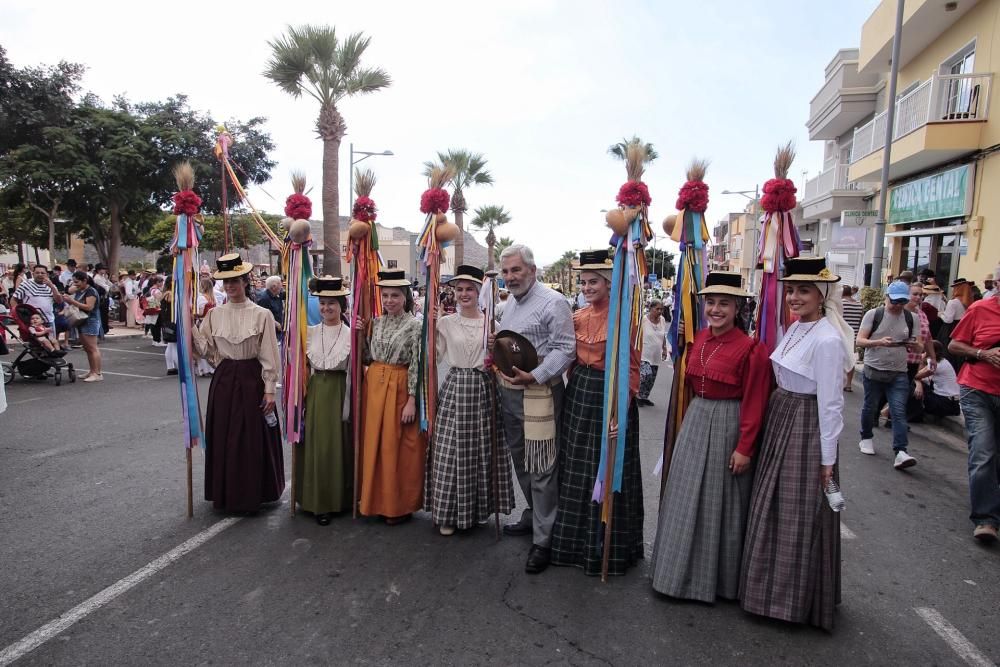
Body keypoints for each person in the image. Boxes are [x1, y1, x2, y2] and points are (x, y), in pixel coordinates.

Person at [740, 257, 855, 631]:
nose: (794, 297)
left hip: (805, 426)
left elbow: (831, 403)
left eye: (804, 290)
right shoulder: (796, 329)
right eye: (791, 289)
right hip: (781, 417)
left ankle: (790, 602)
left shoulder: (827, 338)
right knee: (769, 505)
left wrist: (827, 459)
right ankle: (762, 592)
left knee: (797, 513)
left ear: (821, 295)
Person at [651, 271, 771, 601]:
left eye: (724, 304)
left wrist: (745, 447)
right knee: (684, 496)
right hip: (696, 418)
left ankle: (713, 582)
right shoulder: (700, 339)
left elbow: (754, 402)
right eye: (711, 303)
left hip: (728, 422)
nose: (716, 309)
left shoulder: (751, 349)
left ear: (737, 309)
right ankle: (674, 574)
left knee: (720, 502)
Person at [549, 249, 644, 577]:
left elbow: (632, 370)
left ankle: (607, 550)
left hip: (611, 397)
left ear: (609, 283)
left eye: (594, 282)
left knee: (607, 466)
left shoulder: (624, 320)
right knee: (577, 468)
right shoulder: (576, 317)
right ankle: (570, 544)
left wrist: (621, 409)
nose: (587, 287)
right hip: (580, 395)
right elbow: (568, 360)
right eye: (584, 281)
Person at [495, 244, 575, 574]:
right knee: (521, 460)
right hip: (509, 394)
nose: (510, 277)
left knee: (542, 466)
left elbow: (566, 348)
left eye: (516, 270)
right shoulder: (509, 303)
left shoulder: (554, 302)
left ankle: (544, 539)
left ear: (532, 270)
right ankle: (533, 515)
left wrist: (537, 374)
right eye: (506, 272)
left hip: (540, 392)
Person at [426, 265, 515, 536]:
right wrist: (428, 331)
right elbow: (434, 358)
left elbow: (504, 364)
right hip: (455, 387)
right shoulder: (444, 323)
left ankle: (477, 510)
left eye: (470, 289)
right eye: (459, 289)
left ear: (480, 293)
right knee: (450, 450)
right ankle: (447, 513)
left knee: (480, 450)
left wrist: (495, 348)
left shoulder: (493, 325)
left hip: (483, 389)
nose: (464, 294)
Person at [192, 253, 284, 512]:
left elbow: (269, 355)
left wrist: (269, 390)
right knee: (224, 436)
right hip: (224, 381)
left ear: (245, 281)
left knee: (250, 438)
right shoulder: (214, 314)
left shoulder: (262, 314)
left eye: (235, 280)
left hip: (252, 380)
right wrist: (190, 330)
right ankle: (226, 493)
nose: (230, 286)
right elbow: (209, 352)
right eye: (226, 282)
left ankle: (253, 493)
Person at [357, 269, 425, 524]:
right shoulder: (375, 322)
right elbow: (367, 357)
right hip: (374, 387)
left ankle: (397, 506)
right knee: (373, 444)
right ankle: (373, 500)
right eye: (385, 295)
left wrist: (411, 400)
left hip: (398, 387)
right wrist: (361, 334)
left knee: (396, 448)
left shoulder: (415, 325)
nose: (389, 300)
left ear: (405, 297)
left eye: (395, 295)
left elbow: (417, 364)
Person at [297, 276, 352, 525]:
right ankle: (316, 501)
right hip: (316, 389)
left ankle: (337, 500)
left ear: (342, 306)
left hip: (340, 390)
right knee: (317, 445)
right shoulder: (307, 332)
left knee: (336, 446)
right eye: (322, 303)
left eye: (332, 303)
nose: (326, 308)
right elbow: (300, 367)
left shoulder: (352, 334)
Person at [947, 287, 1000, 543]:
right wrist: (983, 353)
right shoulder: (980, 309)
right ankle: (986, 519)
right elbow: (954, 344)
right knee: (983, 450)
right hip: (977, 388)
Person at [856, 280, 921, 469]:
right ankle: (866, 437)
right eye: (895, 301)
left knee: (898, 411)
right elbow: (860, 340)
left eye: (902, 302)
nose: (898, 306)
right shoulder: (874, 314)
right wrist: (878, 342)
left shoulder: (912, 318)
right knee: (870, 406)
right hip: (874, 368)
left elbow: (920, 344)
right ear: (886, 298)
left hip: (899, 371)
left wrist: (914, 344)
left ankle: (901, 451)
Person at [62, 271, 103, 382]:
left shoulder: (91, 291)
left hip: (90, 320)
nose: (75, 284)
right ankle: (92, 371)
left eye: (77, 282)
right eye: (74, 282)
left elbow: (89, 307)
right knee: (87, 348)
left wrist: (72, 301)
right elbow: (69, 291)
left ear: (85, 280)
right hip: (82, 321)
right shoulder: (81, 290)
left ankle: (97, 373)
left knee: (92, 348)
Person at [913, 341, 961, 420]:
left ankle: (913, 415)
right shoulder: (943, 361)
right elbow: (918, 376)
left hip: (945, 404)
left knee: (911, 385)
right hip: (951, 404)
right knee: (917, 384)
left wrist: (918, 383)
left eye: (925, 351)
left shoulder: (935, 364)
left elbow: (915, 376)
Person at [638, 299, 669, 406]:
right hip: (644, 354)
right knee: (645, 375)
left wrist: (664, 348)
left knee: (651, 379)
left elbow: (663, 335)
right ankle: (637, 396)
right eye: (657, 309)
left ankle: (644, 397)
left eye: (662, 309)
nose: (660, 311)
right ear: (651, 308)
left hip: (656, 354)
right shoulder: (643, 320)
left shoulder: (663, 320)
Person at [840, 284, 863, 391]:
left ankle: (839, 382)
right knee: (851, 359)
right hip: (853, 336)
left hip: (841, 335)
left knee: (839, 359)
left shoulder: (841, 304)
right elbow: (860, 321)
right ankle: (848, 384)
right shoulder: (859, 305)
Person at [196, 277, 217, 377]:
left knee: (201, 345)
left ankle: (203, 369)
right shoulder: (213, 297)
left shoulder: (201, 298)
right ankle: (211, 368)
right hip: (212, 323)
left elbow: (200, 313)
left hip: (202, 323)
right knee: (210, 345)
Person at [256, 275, 285, 341]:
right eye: (280, 285)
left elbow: (289, 294)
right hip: (270, 333)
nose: (282, 287)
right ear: (274, 287)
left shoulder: (278, 294)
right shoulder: (264, 298)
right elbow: (262, 316)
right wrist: (275, 323)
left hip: (278, 332)